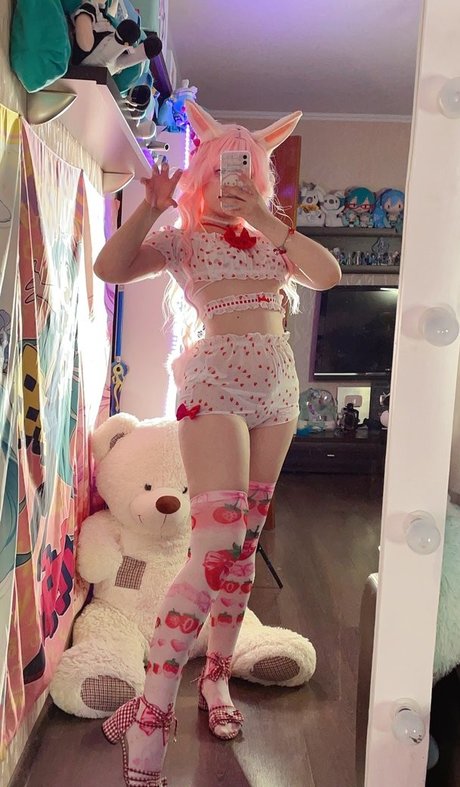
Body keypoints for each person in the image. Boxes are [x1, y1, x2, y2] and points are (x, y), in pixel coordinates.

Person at [93, 101, 341, 787]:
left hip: (277, 392)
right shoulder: (183, 239)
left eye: (248, 166)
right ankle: (152, 714)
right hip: (215, 385)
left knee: (244, 546)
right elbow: (110, 268)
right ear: (204, 166)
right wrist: (152, 207)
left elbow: (328, 274)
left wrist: (266, 217)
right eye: (225, 163)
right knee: (217, 544)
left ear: (258, 173)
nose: (234, 174)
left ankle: (217, 678)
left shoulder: (273, 237)